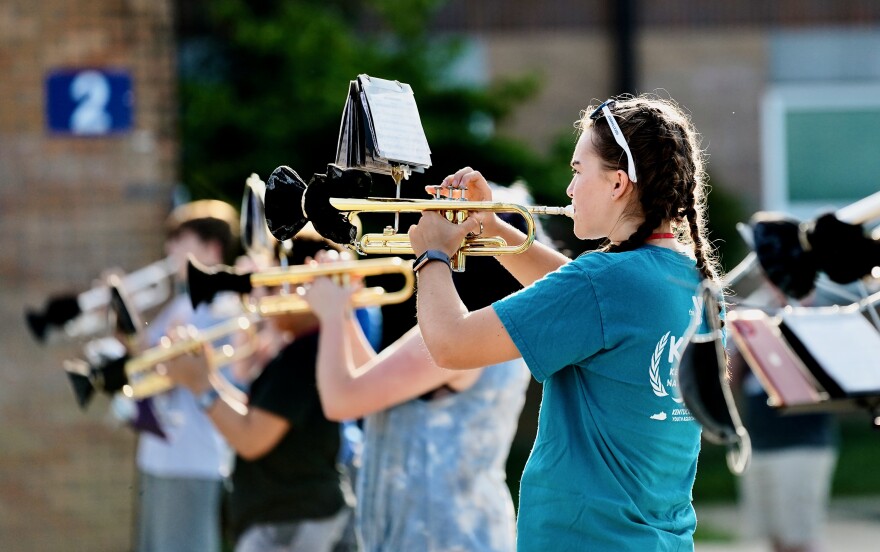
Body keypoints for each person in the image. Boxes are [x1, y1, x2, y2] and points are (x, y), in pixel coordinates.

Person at [407, 94, 724, 550]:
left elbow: (450, 345)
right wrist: (495, 227)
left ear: (618, 183)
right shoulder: (691, 280)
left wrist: (431, 255)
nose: (570, 189)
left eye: (578, 171)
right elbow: (582, 301)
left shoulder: (604, 281)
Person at [302, 191, 540, 551]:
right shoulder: (494, 328)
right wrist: (346, 311)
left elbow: (341, 400)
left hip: (435, 535)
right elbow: (376, 384)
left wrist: (331, 315)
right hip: (456, 531)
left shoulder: (458, 334)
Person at [162, 228, 353, 552]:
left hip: (290, 525)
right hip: (289, 522)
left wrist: (202, 386)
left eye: (275, 283)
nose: (266, 294)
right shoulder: (301, 350)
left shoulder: (303, 355)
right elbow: (258, 417)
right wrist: (207, 378)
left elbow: (251, 438)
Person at [132, 199, 242, 552]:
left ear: (211, 248)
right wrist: (124, 318)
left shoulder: (226, 306)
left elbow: (176, 368)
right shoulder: (182, 305)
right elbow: (145, 360)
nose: (171, 250)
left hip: (193, 459)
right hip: (158, 455)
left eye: (181, 241)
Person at [729, 282, 839, 552]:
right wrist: (737, 334)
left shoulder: (815, 314)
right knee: (775, 539)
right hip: (760, 443)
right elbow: (731, 380)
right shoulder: (756, 309)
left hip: (802, 444)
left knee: (801, 540)